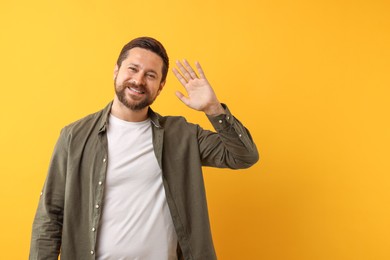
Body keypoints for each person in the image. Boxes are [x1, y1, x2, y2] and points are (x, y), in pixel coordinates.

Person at [29, 36, 259, 260]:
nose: (138, 80)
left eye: (150, 75)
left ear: (160, 87)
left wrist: (213, 109)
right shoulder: (75, 136)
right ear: (116, 71)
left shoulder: (182, 135)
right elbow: (50, 216)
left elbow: (244, 156)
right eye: (132, 69)